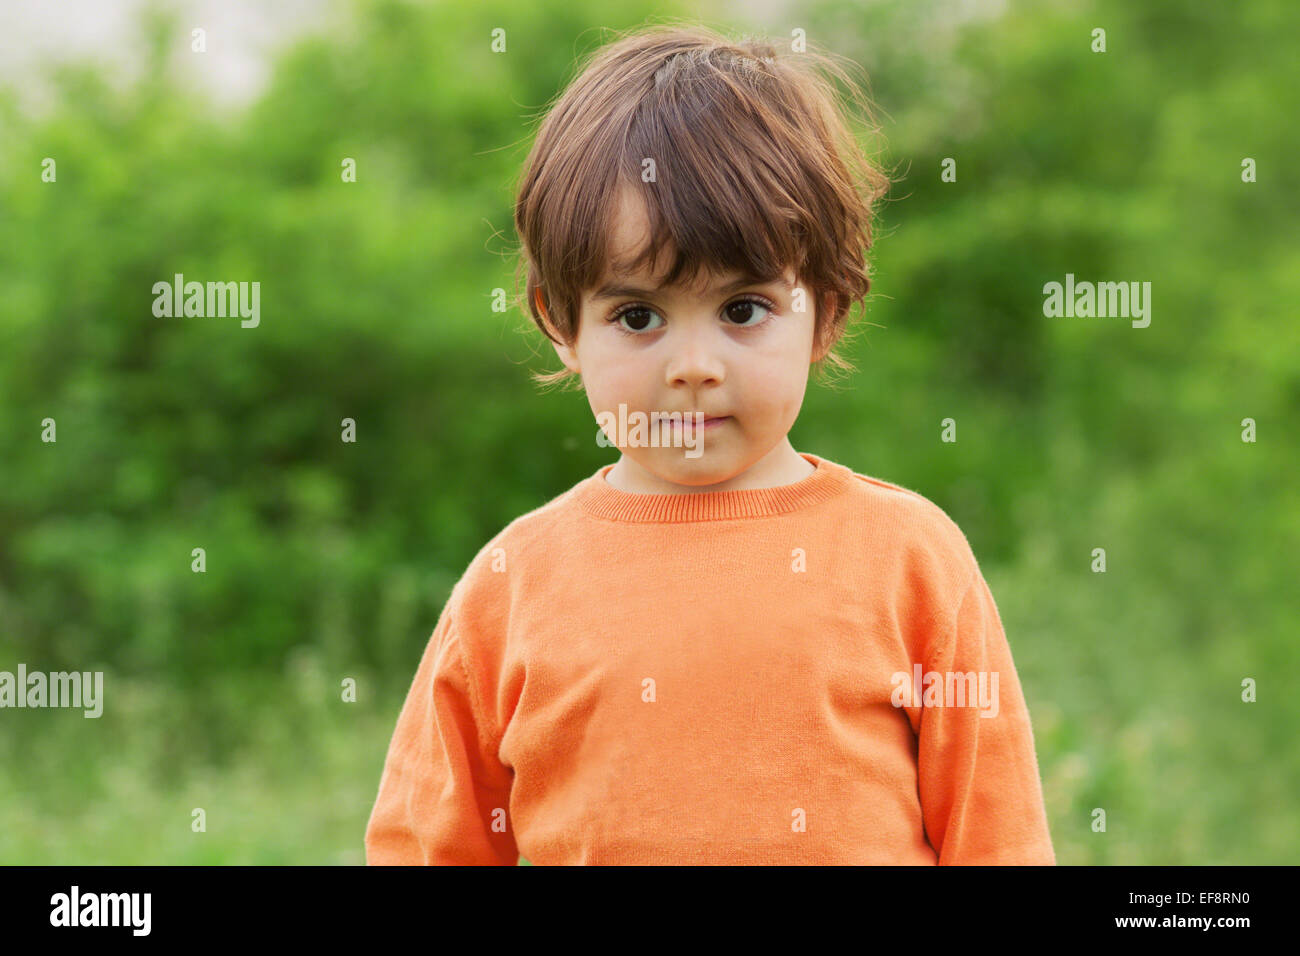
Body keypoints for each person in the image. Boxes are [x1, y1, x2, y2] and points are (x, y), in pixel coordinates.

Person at [365, 22, 1055, 865]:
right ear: (561, 323)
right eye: (638, 317)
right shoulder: (511, 590)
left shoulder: (911, 562)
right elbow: (429, 847)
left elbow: (998, 839)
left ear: (826, 310)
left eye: (742, 310)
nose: (694, 368)